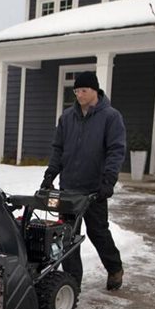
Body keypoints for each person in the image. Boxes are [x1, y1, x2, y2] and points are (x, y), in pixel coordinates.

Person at [40, 71, 126, 290]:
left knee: (98, 233)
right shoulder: (67, 117)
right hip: (69, 188)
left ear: (94, 90)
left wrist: (108, 181)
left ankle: (115, 269)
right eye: (76, 90)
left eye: (83, 90)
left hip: (94, 189)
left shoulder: (110, 117)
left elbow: (116, 150)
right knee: (67, 237)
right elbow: (58, 149)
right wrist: (50, 175)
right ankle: (71, 284)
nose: (79, 94)